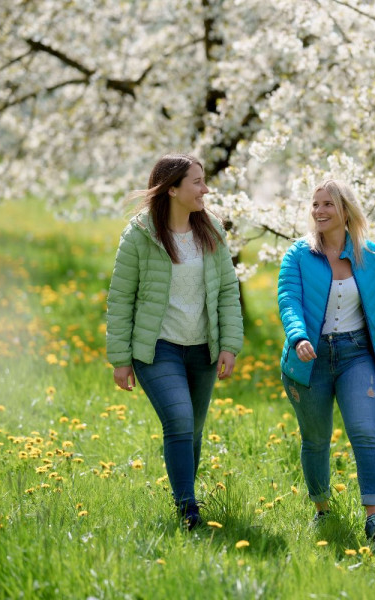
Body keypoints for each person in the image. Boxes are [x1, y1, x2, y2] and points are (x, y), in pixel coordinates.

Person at [106, 153, 243, 530]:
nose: (205, 188)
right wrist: (120, 358)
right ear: (172, 189)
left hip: (203, 349)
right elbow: (120, 297)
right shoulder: (140, 234)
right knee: (180, 421)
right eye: (197, 182)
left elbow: (228, 292)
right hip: (157, 347)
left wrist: (229, 345)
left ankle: (187, 496)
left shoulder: (211, 230)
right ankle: (187, 509)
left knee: (194, 430)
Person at [278, 179, 375, 542]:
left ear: (346, 211)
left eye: (328, 205)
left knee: (365, 432)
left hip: (357, 354)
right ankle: (322, 509)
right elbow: (289, 300)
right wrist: (298, 336)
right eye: (315, 204)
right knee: (315, 438)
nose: (319, 211)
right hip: (310, 357)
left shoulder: (372, 257)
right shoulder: (298, 255)